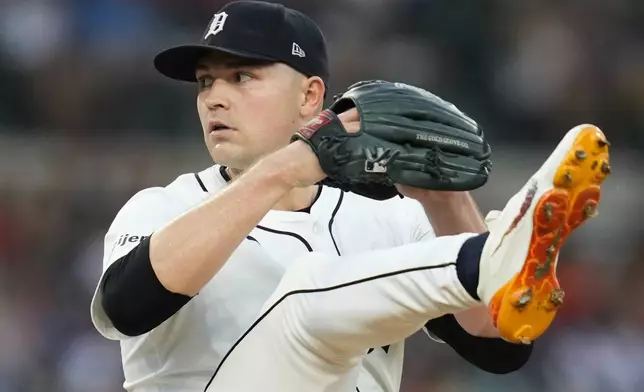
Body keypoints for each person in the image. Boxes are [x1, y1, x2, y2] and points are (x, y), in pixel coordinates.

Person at [89, 1, 611, 392]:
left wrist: (445, 201)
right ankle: (496, 251)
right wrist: (286, 168)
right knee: (304, 295)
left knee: (335, 290)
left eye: (242, 76)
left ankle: (495, 255)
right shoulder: (162, 208)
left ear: (311, 95)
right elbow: (126, 308)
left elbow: (499, 347)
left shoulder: (390, 220)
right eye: (205, 82)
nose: (215, 97)